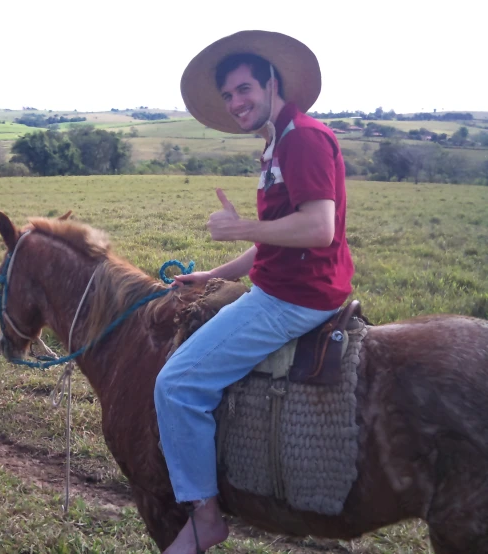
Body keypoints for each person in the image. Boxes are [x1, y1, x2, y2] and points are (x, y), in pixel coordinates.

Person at [153, 31, 355, 553]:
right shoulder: (276, 142)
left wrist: (240, 229)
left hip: (295, 299)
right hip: (288, 284)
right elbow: (276, 244)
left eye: (243, 88)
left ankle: (204, 517)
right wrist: (214, 274)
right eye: (227, 96)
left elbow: (318, 229)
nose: (236, 102)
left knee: (176, 384)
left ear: (271, 81)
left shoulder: (301, 139)